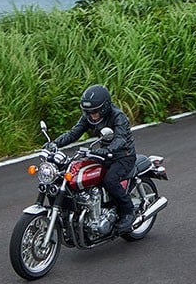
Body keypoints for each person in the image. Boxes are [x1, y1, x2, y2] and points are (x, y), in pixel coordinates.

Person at [49, 84, 137, 233]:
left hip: (123, 156)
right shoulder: (89, 117)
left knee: (110, 180)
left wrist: (108, 149)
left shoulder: (118, 116)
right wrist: (54, 143)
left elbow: (121, 138)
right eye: (88, 111)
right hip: (103, 154)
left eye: (95, 111)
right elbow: (74, 133)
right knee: (76, 173)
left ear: (105, 107)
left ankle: (128, 212)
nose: (92, 115)